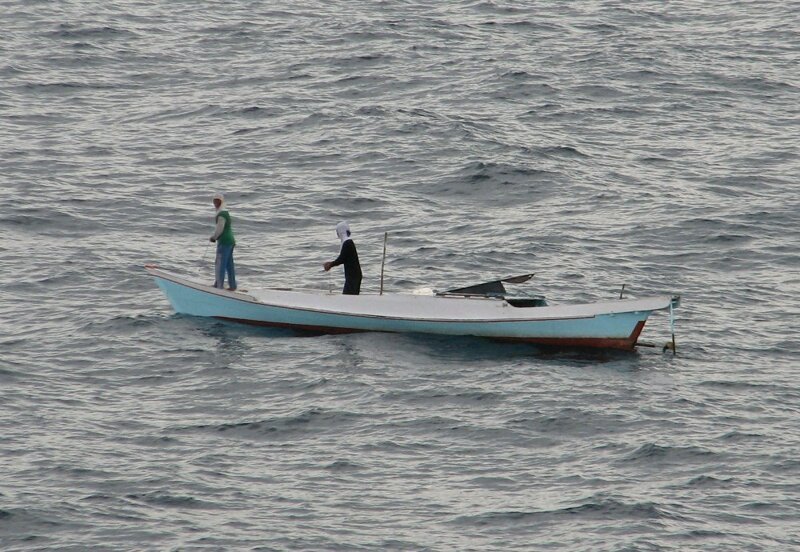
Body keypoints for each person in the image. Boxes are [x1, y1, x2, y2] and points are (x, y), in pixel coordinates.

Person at [323, 221, 362, 295]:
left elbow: (342, 259)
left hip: (353, 276)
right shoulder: (348, 242)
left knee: (348, 296)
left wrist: (330, 264)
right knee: (351, 295)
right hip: (354, 275)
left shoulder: (347, 243)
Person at [209, 192, 236, 291]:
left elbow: (220, 229)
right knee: (229, 264)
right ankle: (232, 286)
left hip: (224, 241)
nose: (215, 203)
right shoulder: (225, 212)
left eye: (217, 201)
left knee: (220, 264)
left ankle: (218, 286)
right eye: (214, 201)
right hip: (230, 241)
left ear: (221, 202)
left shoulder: (221, 214)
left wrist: (214, 237)